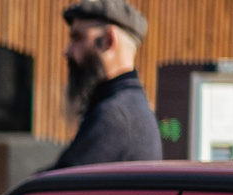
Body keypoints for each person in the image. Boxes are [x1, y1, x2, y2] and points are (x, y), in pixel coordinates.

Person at [50, 0, 161, 169]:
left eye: (78, 38)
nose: (67, 51)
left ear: (109, 40)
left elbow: (56, 187)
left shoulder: (114, 115)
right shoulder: (130, 105)